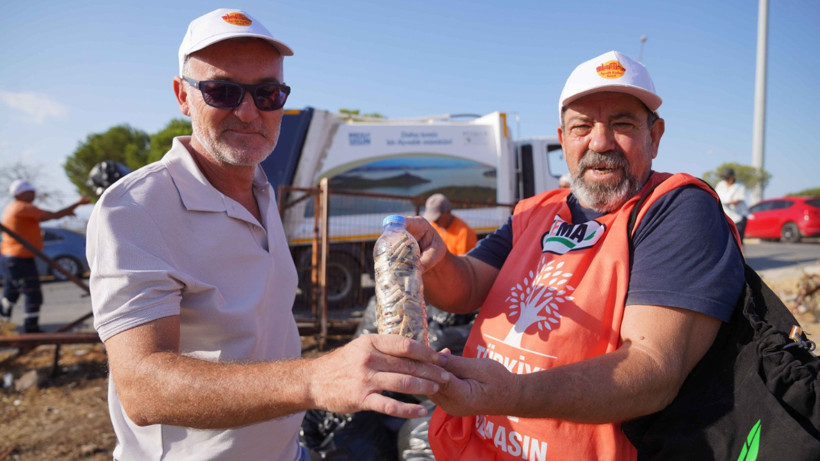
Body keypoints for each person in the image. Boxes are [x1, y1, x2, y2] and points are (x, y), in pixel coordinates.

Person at [86, 9, 448, 461]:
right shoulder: (136, 206)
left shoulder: (260, 189)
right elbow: (142, 387)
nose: (248, 111)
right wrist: (315, 380)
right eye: (222, 91)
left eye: (267, 93)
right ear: (183, 96)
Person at [405, 50, 745, 460]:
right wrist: (435, 260)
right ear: (563, 139)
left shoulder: (673, 209)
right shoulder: (536, 210)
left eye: (622, 124)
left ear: (654, 137)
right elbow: (468, 286)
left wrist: (513, 393)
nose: (600, 142)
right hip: (475, 446)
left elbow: (653, 368)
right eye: (582, 126)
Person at [1, 180, 89, 333]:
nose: (34, 194)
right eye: (31, 191)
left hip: (10, 257)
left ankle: (4, 325)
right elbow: (53, 216)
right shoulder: (23, 207)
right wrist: (77, 203)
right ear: (21, 194)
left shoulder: (11, 207)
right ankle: (31, 327)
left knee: (11, 293)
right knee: (32, 293)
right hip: (20, 257)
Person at [715, 167, 749, 240]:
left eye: (727, 178)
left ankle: (741, 251)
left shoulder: (740, 185)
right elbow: (715, 195)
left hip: (738, 218)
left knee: (738, 241)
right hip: (725, 217)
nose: (726, 180)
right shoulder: (721, 184)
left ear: (732, 177)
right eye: (724, 178)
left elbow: (738, 200)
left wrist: (725, 203)